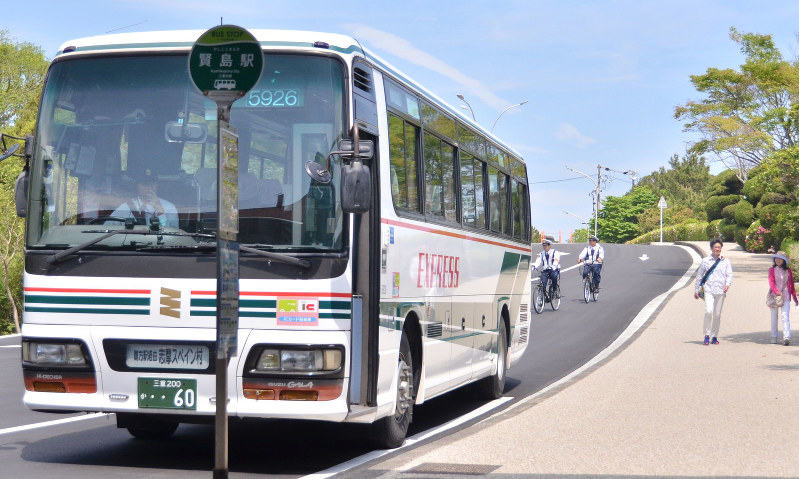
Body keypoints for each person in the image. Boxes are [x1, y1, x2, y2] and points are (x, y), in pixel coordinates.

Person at [693, 238, 733, 345]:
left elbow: (729, 274)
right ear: (711, 248)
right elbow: (699, 276)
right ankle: (707, 335)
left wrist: (727, 285)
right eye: (715, 247)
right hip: (708, 290)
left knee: (717, 314)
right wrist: (696, 290)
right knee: (708, 311)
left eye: (719, 247)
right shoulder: (705, 261)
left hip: (720, 291)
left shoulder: (725, 261)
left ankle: (714, 335)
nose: (717, 249)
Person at [110, 167, 178, 228]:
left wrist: (160, 212)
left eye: (152, 184)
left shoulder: (169, 208)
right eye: (145, 184)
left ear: (157, 185)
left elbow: (173, 235)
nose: (149, 188)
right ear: (137, 186)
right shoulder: (126, 207)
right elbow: (107, 229)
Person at [768, 251, 798, 346]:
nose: (778, 260)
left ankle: (786, 337)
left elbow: (792, 284)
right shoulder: (772, 270)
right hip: (774, 296)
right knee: (774, 317)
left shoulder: (788, 270)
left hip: (786, 296)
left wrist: (795, 298)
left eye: (780, 258)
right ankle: (774, 336)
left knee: (785, 317)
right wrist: (776, 291)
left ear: (784, 260)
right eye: (776, 258)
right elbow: (771, 282)